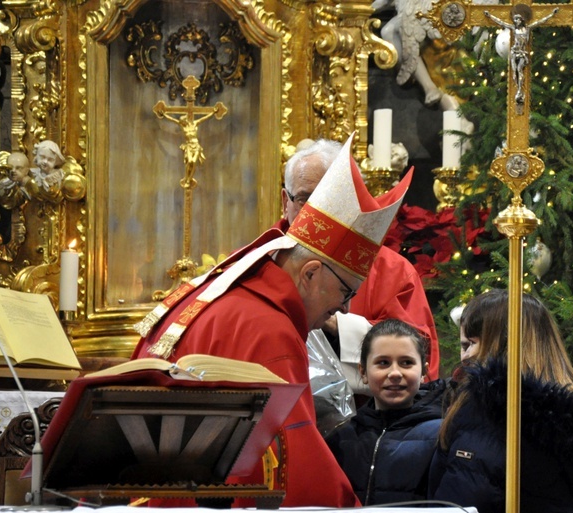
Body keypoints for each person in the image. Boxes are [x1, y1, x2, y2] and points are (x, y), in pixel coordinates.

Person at [131, 133, 413, 508]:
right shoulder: (271, 330)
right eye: (345, 293)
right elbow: (300, 475)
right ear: (310, 274)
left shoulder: (233, 285)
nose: (343, 309)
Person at [429, 289, 573, 513]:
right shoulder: (466, 406)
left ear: (505, 344)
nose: (465, 356)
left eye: (471, 344)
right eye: (463, 346)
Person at [275, 138, 440, 391]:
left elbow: (418, 353)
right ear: (286, 201)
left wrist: (336, 325)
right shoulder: (260, 259)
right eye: (305, 199)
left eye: (330, 199)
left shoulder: (393, 271)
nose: (316, 212)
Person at [325, 318, 444, 505]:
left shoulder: (441, 435)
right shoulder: (340, 438)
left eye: (406, 363)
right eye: (383, 363)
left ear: (423, 372)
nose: (395, 373)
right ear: (363, 372)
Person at [484, 6, 559, 106]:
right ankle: (517, 90)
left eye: (518, 19)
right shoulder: (513, 28)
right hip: (514, 52)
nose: (516, 21)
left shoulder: (527, 29)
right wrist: (490, 16)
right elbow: (501, 22)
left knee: (520, 70)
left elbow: (541, 21)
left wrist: (552, 14)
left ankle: (520, 91)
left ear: (522, 20)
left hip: (522, 53)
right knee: (514, 72)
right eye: (515, 19)